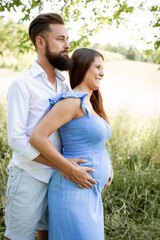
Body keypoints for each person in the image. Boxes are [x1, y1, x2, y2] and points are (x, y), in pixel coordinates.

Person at [5, 14, 96, 240]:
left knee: (49, 234)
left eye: (67, 39)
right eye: (60, 39)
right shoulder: (22, 85)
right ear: (40, 42)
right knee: (19, 237)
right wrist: (64, 165)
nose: (67, 46)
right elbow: (16, 140)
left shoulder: (65, 85)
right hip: (29, 176)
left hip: (58, 180)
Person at [29, 48, 114, 240]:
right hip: (72, 188)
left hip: (90, 191)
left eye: (103, 68)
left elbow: (95, 143)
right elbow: (37, 137)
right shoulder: (72, 101)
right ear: (83, 68)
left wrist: (108, 165)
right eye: (98, 67)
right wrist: (67, 167)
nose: (102, 72)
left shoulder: (91, 102)